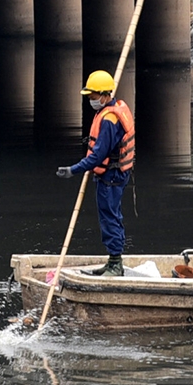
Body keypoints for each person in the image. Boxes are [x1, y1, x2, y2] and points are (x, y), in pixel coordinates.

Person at [56, 70, 135, 276]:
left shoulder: (110, 120)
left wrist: (73, 170)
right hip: (112, 175)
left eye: (93, 97)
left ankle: (116, 264)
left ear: (104, 95)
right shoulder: (111, 110)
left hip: (111, 177)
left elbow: (97, 157)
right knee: (110, 216)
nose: (91, 101)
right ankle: (112, 261)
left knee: (110, 217)